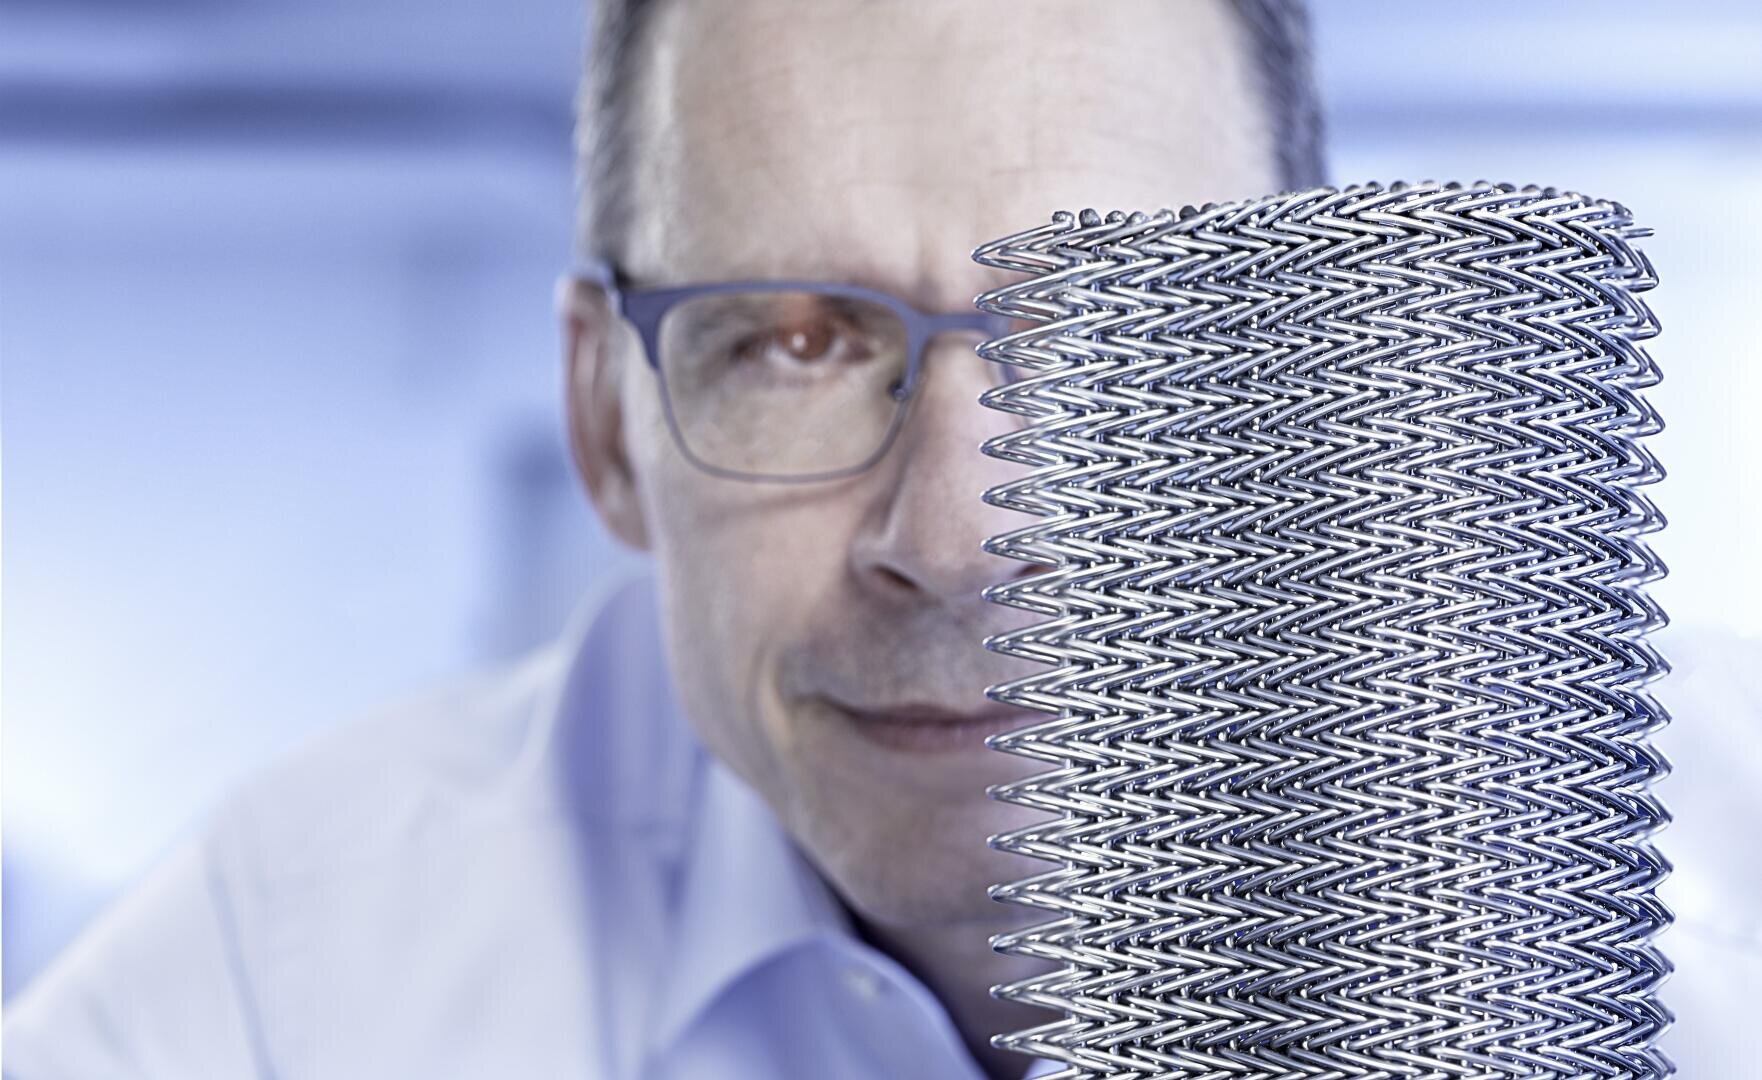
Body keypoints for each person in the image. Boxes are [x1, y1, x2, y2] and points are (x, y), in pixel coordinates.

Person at [10, 0, 1758, 1077]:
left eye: (1110, 327)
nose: (956, 536)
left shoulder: (1708, 892)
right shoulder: (286, 985)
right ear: (604, 422)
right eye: (792, 340)